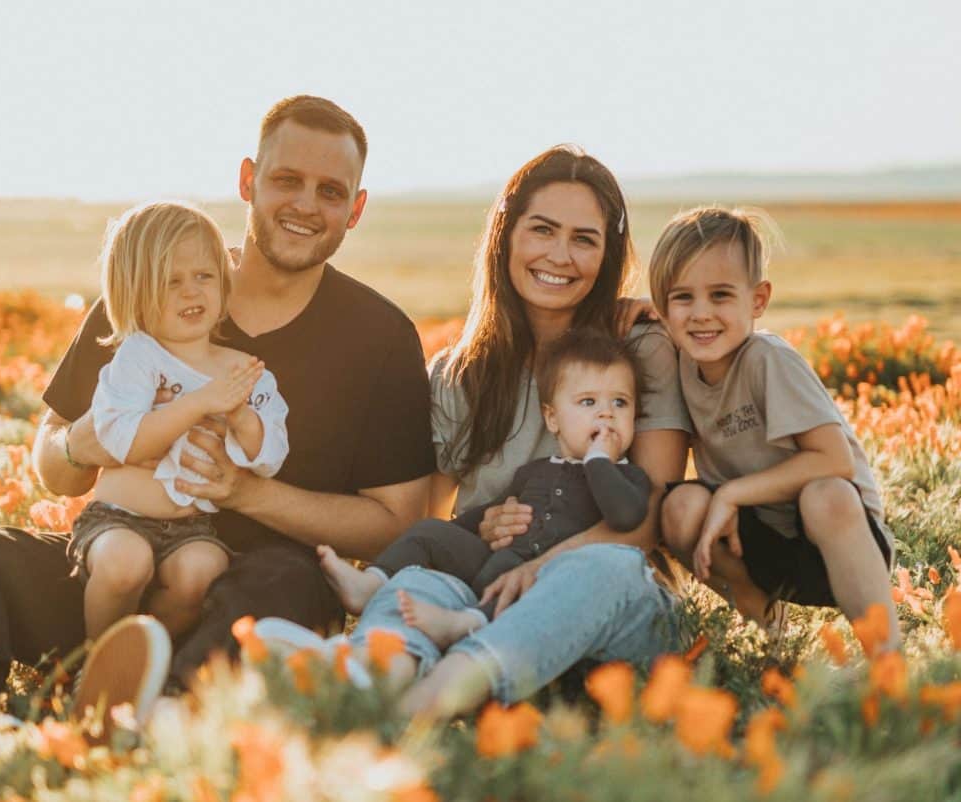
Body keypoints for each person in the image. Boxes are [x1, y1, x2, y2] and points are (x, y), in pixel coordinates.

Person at [0, 96, 434, 702]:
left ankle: (157, 710)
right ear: (248, 181)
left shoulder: (378, 337)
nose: (306, 204)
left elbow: (397, 525)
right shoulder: (153, 290)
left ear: (355, 210)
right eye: (287, 181)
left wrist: (247, 492)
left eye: (330, 191)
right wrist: (80, 443)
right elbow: (53, 464)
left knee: (289, 584)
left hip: (248, 594)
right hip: (114, 571)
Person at [297, 145, 692, 718]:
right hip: (487, 594)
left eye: (585, 238)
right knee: (419, 580)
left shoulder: (638, 350)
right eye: (542, 230)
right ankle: (365, 689)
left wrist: (539, 567)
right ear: (506, 235)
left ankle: (429, 703)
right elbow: (424, 518)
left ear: (607, 256)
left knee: (599, 569)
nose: (560, 255)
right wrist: (480, 524)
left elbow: (647, 520)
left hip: (610, 610)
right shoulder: (461, 373)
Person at [648, 206, 898, 647]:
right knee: (679, 507)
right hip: (758, 544)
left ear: (758, 300)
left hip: (836, 542)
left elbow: (834, 460)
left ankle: (887, 659)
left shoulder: (769, 360)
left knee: (827, 495)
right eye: (683, 297)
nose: (701, 313)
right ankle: (767, 626)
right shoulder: (680, 363)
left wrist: (732, 492)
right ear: (663, 306)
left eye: (721, 295)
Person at [317, 329, 649, 648]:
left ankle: (466, 623)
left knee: (513, 578)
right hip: (494, 561)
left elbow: (625, 515)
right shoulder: (535, 472)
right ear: (552, 419)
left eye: (620, 403)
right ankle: (371, 583)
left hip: (548, 581)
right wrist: (457, 533)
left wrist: (598, 461)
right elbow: (485, 514)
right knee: (429, 532)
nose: (607, 413)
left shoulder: (629, 479)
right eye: (588, 402)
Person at [71, 201, 289, 641]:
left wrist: (241, 417)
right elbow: (123, 442)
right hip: (117, 518)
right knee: (124, 564)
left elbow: (269, 457)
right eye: (171, 282)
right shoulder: (137, 356)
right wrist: (199, 403)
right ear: (134, 292)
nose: (191, 292)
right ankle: (95, 659)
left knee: (202, 570)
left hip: (192, 528)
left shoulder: (244, 370)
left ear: (224, 283)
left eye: (204, 277)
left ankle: (149, 659)